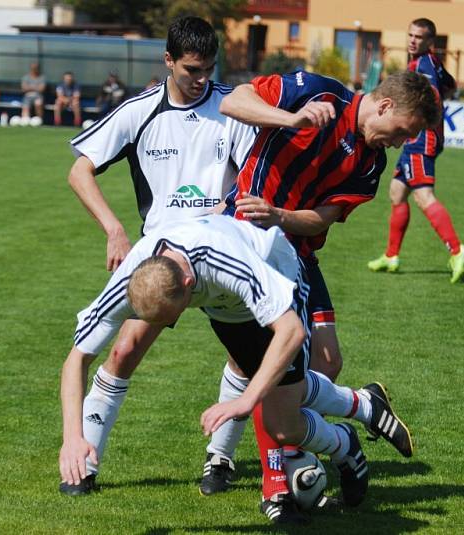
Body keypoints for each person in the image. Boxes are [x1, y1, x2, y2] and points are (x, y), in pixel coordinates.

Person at [60, 215, 410, 523]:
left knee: (280, 423)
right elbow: (77, 358)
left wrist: (244, 402)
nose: (171, 327)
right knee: (281, 416)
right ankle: (358, 416)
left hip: (279, 281)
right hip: (224, 306)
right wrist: (73, 437)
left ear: (187, 286)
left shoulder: (225, 260)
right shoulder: (134, 276)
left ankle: (348, 432)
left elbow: (291, 332)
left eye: (173, 316)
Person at [198, 69, 438, 508]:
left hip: (296, 252)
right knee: (268, 359)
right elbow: (233, 102)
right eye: (404, 132)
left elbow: (323, 219)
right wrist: (289, 120)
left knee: (324, 361)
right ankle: (268, 476)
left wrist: (280, 215)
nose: (402, 143)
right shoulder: (315, 91)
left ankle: (327, 434)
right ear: (385, 106)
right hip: (245, 242)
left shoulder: (370, 165)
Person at [59, 16, 256, 497]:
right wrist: (114, 229)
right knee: (123, 351)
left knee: (245, 356)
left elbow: (256, 178)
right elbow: (80, 172)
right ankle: (84, 461)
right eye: (191, 68)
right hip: (161, 264)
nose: (201, 78)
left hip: (221, 258)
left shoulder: (233, 110)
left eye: (208, 67)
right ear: (168, 60)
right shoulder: (138, 111)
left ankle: (221, 459)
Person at [367, 18, 464, 283]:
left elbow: (434, 96)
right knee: (397, 192)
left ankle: (457, 250)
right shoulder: (431, 63)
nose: (413, 40)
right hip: (421, 139)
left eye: (419, 37)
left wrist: (427, 128)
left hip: (420, 139)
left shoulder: (423, 65)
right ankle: (391, 256)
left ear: (430, 42)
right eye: (411, 35)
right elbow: (450, 84)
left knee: (424, 196)